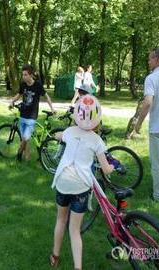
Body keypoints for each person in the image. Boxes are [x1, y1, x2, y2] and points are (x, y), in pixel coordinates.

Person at [49, 95, 114, 270]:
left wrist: (56, 134)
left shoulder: (69, 132)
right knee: (74, 230)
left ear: (77, 115)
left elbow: (59, 135)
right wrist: (113, 167)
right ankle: (78, 267)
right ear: (97, 119)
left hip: (63, 181)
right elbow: (106, 169)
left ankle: (55, 256)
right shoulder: (97, 141)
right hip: (81, 186)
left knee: (60, 220)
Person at [134, 47, 159, 203]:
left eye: (150, 59)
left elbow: (148, 102)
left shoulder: (152, 78)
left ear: (156, 59)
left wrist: (138, 124)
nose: (148, 62)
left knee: (157, 162)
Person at [9, 64, 56, 161]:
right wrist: (12, 101)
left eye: (25, 75)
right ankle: (28, 158)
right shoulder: (23, 84)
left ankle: (18, 154)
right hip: (23, 114)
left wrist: (52, 108)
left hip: (32, 116)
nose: (24, 77)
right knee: (24, 139)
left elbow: (46, 96)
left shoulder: (37, 85)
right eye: (23, 74)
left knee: (25, 138)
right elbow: (19, 95)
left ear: (31, 75)